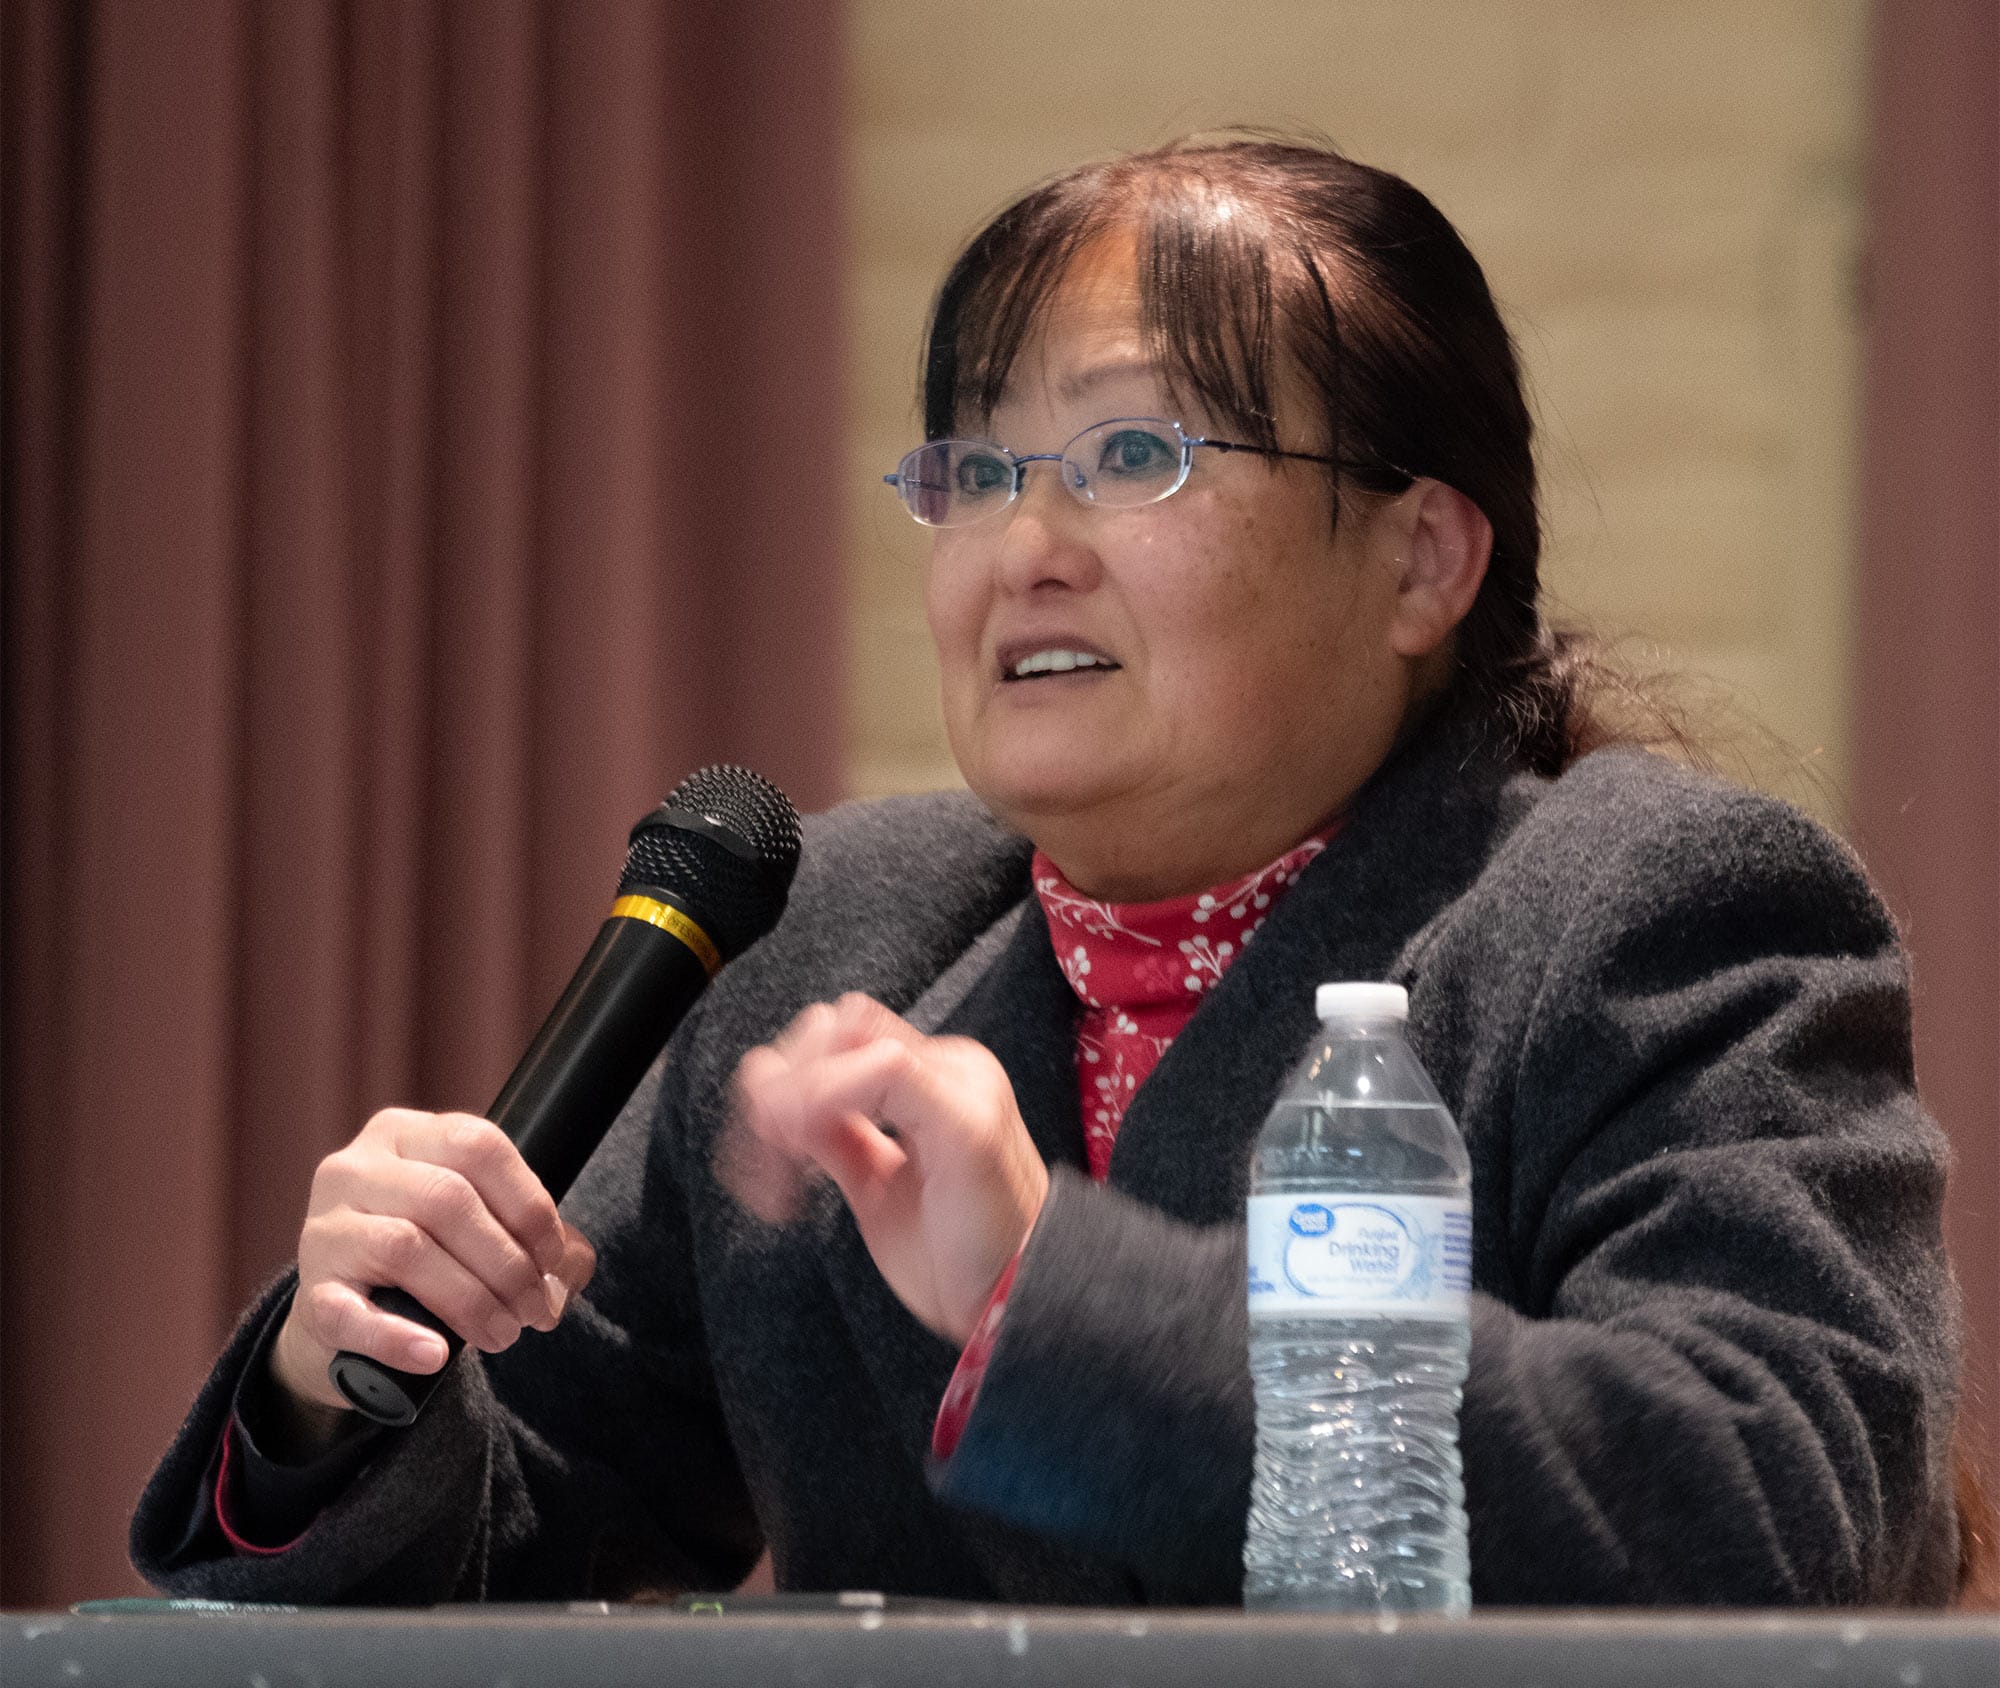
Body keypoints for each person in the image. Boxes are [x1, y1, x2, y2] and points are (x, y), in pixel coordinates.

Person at [132, 133, 1967, 1607]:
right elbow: (537, 1533)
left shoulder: (1651, 917)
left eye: (1134, 455)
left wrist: (1051, 1298)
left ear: (1421, 562)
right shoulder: (827, 947)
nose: (1026, 549)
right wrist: (340, 1370)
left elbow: (1785, 1499)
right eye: (975, 470)